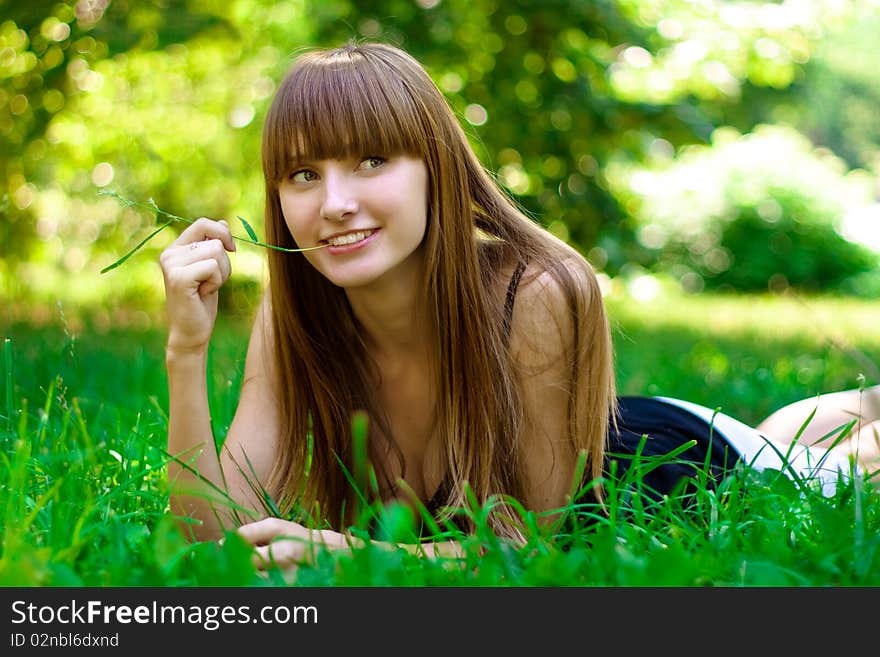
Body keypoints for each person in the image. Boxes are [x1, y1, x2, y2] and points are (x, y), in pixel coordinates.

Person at [159, 41, 879, 570]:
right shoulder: (293, 318)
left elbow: (528, 549)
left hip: (671, 469)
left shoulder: (534, 291)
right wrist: (185, 354)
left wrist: (354, 555)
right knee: (791, 429)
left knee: (831, 468)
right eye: (304, 173)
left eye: (372, 160)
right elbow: (216, 534)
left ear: (434, 168)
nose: (335, 202)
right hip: (604, 426)